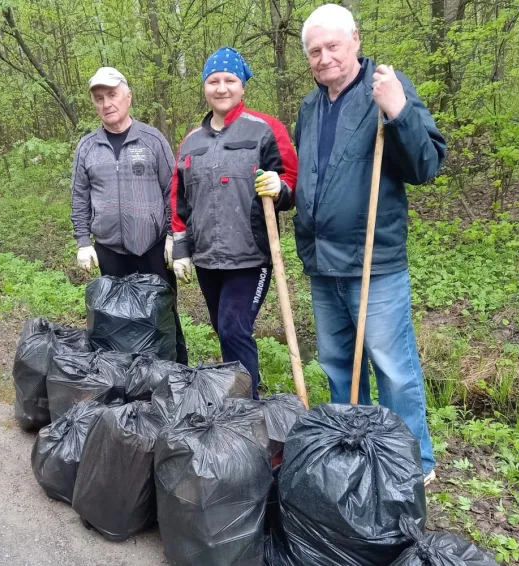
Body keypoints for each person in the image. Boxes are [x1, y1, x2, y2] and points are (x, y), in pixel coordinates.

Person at [295, 5, 446, 483]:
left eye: (332, 46)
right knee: (340, 365)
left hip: (372, 262)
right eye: (315, 51)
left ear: (355, 40)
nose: (324, 58)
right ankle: (359, 452)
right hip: (322, 262)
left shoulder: (385, 87)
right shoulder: (309, 107)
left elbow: (426, 166)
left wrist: (399, 111)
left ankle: (412, 463)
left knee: (392, 367)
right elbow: (314, 179)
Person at [171, 47, 298, 398]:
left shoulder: (265, 129)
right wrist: (180, 246)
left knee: (233, 328)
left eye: (230, 80)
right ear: (204, 87)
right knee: (224, 329)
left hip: (250, 256)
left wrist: (282, 188)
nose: (221, 87)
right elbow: (179, 198)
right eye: (213, 81)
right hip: (208, 258)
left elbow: (291, 178)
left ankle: (247, 412)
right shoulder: (191, 141)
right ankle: (236, 405)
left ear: (242, 86)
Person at [70, 66, 188, 364]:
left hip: (152, 247)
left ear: (128, 97)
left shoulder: (152, 140)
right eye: (99, 98)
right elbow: (79, 197)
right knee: (115, 319)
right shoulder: (87, 147)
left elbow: (172, 191)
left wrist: (174, 237)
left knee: (161, 315)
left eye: (112, 95)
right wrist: (83, 241)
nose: (106, 103)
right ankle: (124, 379)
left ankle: (175, 374)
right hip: (109, 250)